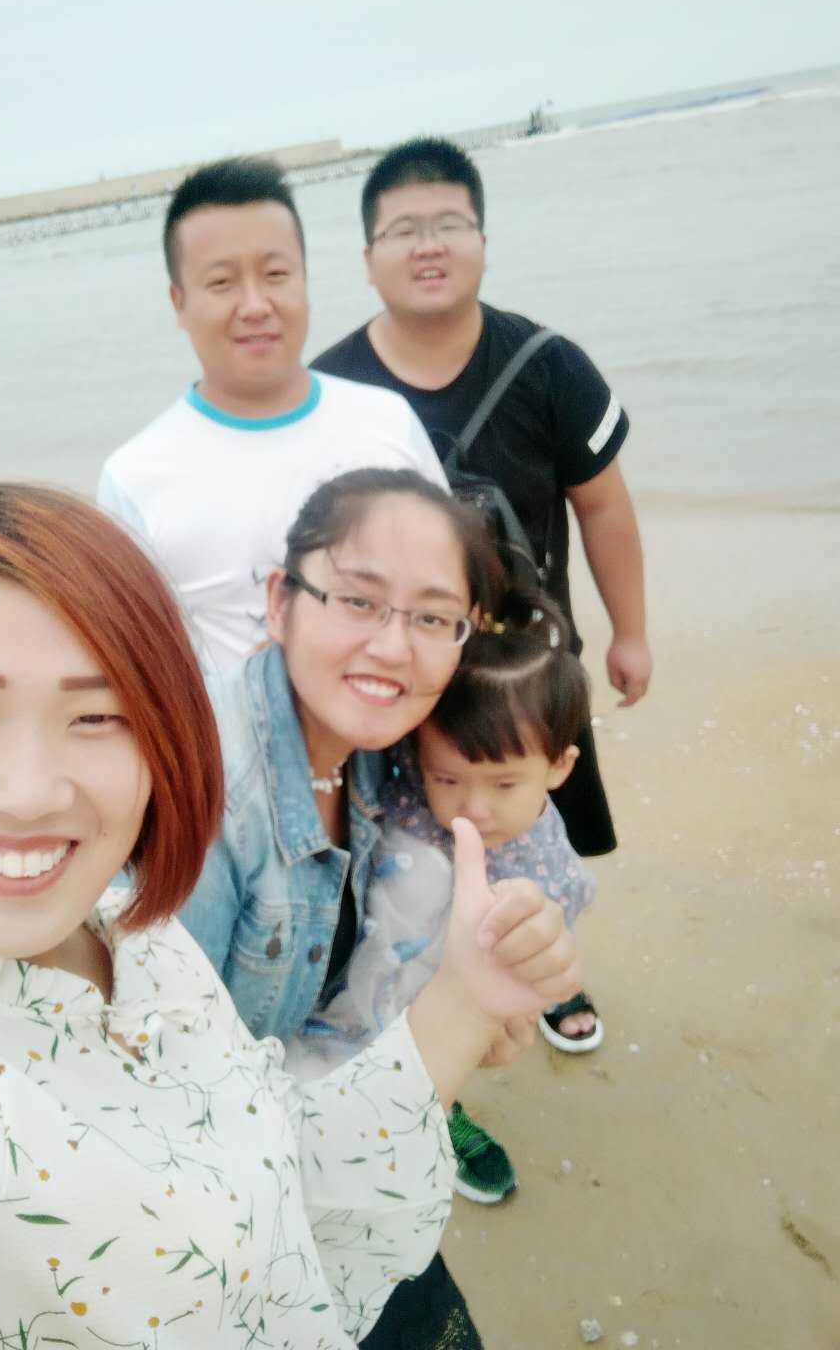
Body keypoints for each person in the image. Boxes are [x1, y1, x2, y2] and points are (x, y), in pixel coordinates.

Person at [0, 482, 580, 1348]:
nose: (31, 792)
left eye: (98, 715)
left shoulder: (131, 931)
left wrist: (466, 999)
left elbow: (268, 1161)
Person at [178, 467, 580, 1349]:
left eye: (433, 618)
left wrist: (503, 977)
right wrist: (453, 1026)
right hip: (247, 1229)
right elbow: (180, 1130)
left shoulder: (388, 748)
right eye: (358, 600)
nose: (394, 647)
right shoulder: (203, 808)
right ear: (280, 601)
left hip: (353, 1142)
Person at [311, 136, 652, 860]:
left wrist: (631, 632)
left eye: (449, 225)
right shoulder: (328, 392)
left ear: (483, 244)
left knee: (549, 870)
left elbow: (603, 507)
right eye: (403, 230)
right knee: (394, 881)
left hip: (528, 680)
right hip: (393, 688)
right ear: (368, 259)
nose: (427, 246)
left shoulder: (551, 366)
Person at [97, 156, 447, 673]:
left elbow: (447, 588)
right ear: (179, 302)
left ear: (305, 280)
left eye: (276, 275)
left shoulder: (387, 420)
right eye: (222, 283)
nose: (256, 305)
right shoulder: (134, 479)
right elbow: (138, 666)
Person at [375, 588, 602, 1204]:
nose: (473, 808)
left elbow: (561, 903)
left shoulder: (541, 852)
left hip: (490, 958)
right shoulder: (403, 794)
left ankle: (548, 994)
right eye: (448, 778)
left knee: (538, 939)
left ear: (559, 767)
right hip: (405, 972)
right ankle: (440, 1108)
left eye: (505, 784)